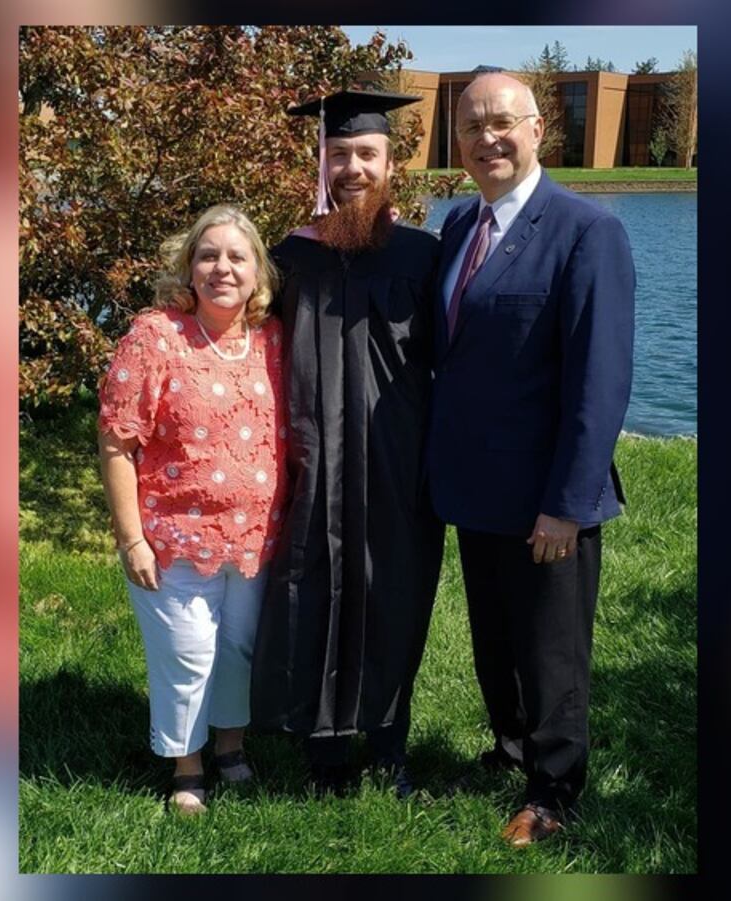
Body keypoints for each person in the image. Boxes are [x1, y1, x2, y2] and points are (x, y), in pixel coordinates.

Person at [427, 72, 635, 846]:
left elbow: (600, 379)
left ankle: (553, 788)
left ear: (539, 128)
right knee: (496, 643)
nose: (487, 139)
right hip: (477, 489)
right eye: (472, 127)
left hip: (548, 495)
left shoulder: (586, 231)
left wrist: (568, 501)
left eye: (502, 123)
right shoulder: (457, 227)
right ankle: (509, 748)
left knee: (551, 652)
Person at [250, 89, 446, 797]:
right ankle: (323, 752)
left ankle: (389, 746)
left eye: (367, 153)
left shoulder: (427, 255)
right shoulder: (287, 257)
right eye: (340, 155)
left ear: (392, 162)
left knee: (394, 594)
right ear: (323, 163)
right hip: (312, 458)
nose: (353, 167)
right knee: (315, 589)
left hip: (398, 460)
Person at [97, 204, 288, 815]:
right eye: (209, 256)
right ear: (188, 267)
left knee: (237, 648)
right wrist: (131, 539)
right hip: (172, 537)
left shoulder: (273, 340)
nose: (222, 268)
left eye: (237, 257)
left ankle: (230, 747)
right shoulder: (156, 336)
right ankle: (186, 766)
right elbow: (117, 441)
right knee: (187, 652)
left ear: (258, 273)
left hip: (258, 539)